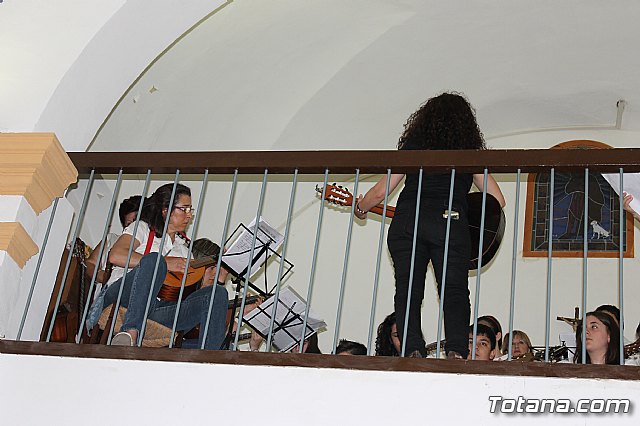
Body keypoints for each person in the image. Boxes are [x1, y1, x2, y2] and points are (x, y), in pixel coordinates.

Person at [356, 92, 505, 359]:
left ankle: (412, 347)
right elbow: (497, 200)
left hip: (408, 222)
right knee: (454, 290)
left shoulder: (413, 148)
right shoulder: (468, 151)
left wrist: (361, 206)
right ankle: (457, 350)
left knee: (408, 289)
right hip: (451, 223)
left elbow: (380, 192)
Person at [87, 183, 228, 349]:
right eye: (184, 209)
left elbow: (185, 293)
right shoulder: (142, 228)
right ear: (165, 210)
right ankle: (130, 333)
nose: (189, 215)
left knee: (216, 294)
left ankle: (210, 358)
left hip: (157, 309)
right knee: (155, 260)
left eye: (191, 210)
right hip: (124, 296)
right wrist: (165, 263)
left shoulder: (184, 250)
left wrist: (215, 276)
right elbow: (116, 255)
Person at [85, 195, 141, 289]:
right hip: (105, 295)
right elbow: (91, 263)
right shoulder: (111, 239)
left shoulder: (152, 244)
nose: (133, 228)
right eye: (129, 224)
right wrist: (103, 277)